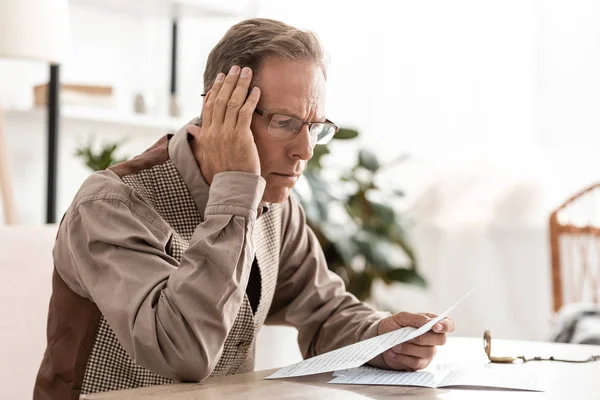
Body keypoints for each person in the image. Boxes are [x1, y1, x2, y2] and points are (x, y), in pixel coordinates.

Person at [33, 18, 454, 399]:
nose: (304, 150)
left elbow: (324, 312)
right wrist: (235, 190)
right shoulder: (110, 204)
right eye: (286, 123)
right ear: (222, 111)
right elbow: (183, 353)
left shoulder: (275, 204)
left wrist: (382, 338)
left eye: (315, 127)